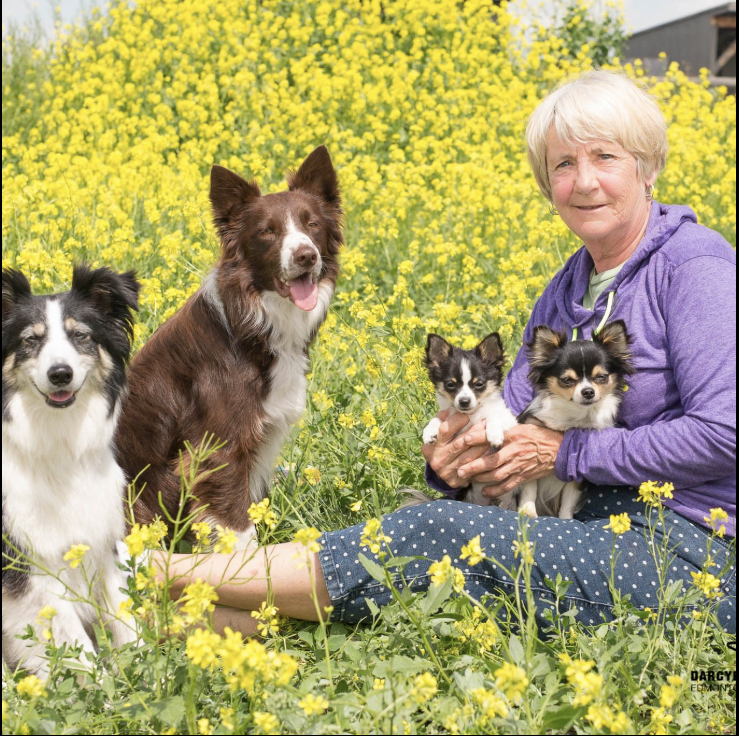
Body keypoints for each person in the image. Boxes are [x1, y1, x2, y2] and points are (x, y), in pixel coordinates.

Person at [156, 70, 736, 635]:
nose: (583, 181)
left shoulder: (693, 268)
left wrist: (566, 454)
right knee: (419, 536)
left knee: (430, 537)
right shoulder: (566, 289)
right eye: (563, 164)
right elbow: (505, 417)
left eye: (605, 157)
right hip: (580, 521)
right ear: (546, 183)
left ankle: (154, 573)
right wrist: (456, 460)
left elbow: (726, 433)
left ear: (648, 164)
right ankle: (177, 617)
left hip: (686, 548)